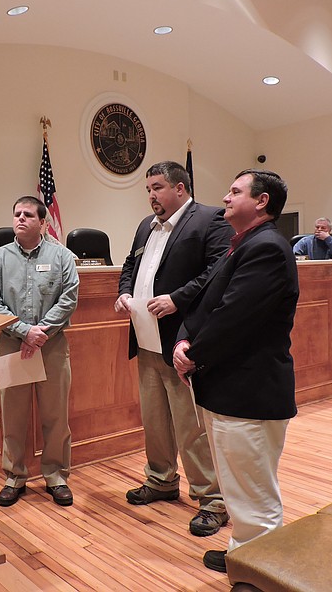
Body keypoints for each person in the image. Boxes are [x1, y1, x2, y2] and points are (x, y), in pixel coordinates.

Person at [172, 169, 299, 574]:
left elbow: (235, 316)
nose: (225, 198)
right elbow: (203, 300)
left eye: (235, 191)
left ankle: (259, 574)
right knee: (237, 483)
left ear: (261, 202)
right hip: (228, 386)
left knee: (253, 489)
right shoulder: (239, 244)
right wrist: (183, 340)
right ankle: (243, 553)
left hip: (250, 390)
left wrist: (195, 355)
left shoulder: (267, 248)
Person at [115, 160, 233, 536]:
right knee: (154, 420)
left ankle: (212, 499)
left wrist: (177, 299)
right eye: (148, 189)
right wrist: (124, 293)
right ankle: (161, 480)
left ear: (180, 188)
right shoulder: (143, 226)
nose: (151, 195)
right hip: (145, 339)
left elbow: (218, 271)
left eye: (157, 188)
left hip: (181, 340)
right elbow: (129, 268)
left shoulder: (209, 219)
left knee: (191, 426)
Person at [0, 195, 79, 507]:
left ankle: (56, 476)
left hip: (51, 345)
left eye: (27, 215)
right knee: (13, 415)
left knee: (55, 415)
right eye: (16, 214)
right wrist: (25, 331)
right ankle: (15, 476)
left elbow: (69, 298)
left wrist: (41, 332)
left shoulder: (62, 256)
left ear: (42, 222)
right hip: (11, 344)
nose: (20, 219)